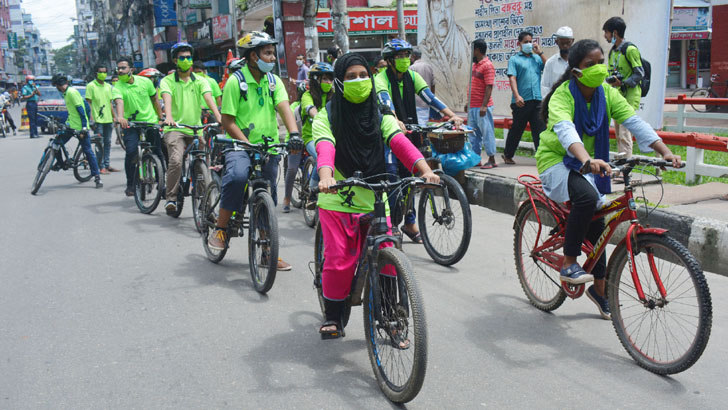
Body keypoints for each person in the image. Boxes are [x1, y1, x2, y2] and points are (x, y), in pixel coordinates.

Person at [535, 39, 680, 320]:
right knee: (588, 198)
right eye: (591, 64)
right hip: (556, 161)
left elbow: (633, 121)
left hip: (586, 162)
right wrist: (585, 160)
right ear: (576, 70)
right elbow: (566, 131)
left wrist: (665, 152)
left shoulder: (606, 93)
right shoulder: (563, 95)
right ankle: (569, 262)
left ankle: (599, 291)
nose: (599, 68)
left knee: (600, 220)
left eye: (601, 62)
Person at [313, 52, 440, 339]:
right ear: (339, 83)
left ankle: (391, 317)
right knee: (339, 261)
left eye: (363, 76)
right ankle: (333, 317)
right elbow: (324, 146)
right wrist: (325, 176)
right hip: (338, 197)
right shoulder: (327, 115)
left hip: (375, 193)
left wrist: (424, 170)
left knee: (388, 254)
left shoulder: (381, 114)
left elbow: (398, 142)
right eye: (350, 77)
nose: (358, 81)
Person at [206, 31, 300, 271]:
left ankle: (268, 252)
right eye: (267, 53)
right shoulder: (235, 82)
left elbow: (284, 108)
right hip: (239, 144)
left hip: (268, 145)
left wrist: (294, 134)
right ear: (252, 56)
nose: (271, 57)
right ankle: (221, 228)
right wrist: (245, 142)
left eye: (272, 52)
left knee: (269, 193)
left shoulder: (274, 81)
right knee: (237, 177)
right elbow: (227, 121)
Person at [375, 39, 463, 243]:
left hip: (411, 133)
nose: (404, 60)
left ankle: (409, 222)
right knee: (393, 179)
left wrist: (451, 115)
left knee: (411, 182)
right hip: (390, 134)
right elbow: (385, 102)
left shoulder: (412, 77)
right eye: (399, 57)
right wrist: (395, 120)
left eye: (406, 56)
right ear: (389, 60)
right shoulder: (381, 79)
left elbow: (430, 98)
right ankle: (390, 224)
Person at [160, 42, 223, 215]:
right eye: (182, 58)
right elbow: (167, 98)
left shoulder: (201, 81)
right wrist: (169, 117)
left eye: (188, 57)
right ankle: (171, 198)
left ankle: (204, 200)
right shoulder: (167, 81)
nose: (186, 60)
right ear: (175, 60)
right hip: (175, 129)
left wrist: (219, 118)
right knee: (176, 160)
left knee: (203, 162)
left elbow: (209, 99)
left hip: (196, 129)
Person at [282, 62, 334, 212]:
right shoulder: (307, 96)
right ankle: (304, 195)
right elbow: (310, 109)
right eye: (325, 79)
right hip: (309, 137)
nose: (328, 83)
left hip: (329, 136)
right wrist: (319, 118)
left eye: (330, 79)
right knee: (297, 166)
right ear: (316, 80)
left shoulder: (334, 96)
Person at [112, 56, 163, 197]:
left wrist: (161, 118)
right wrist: (121, 117)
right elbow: (119, 102)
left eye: (123, 68)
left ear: (131, 69)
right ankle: (131, 184)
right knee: (131, 151)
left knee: (158, 151)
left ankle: (162, 182)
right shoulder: (117, 87)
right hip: (130, 124)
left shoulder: (145, 82)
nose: (120, 70)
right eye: (118, 68)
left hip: (150, 121)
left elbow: (155, 100)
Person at [51, 73, 103, 188]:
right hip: (70, 125)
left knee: (88, 150)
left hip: (80, 127)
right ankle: (60, 163)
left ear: (58, 85)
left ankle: (97, 177)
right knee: (56, 142)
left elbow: (82, 110)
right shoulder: (66, 93)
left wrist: (84, 127)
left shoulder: (71, 93)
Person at [604, 16, 644, 160]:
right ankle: (622, 164)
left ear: (614, 33)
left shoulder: (630, 49)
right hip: (617, 95)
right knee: (618, 132)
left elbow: (639, 73)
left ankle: (626, 167)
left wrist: (623, 83)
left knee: (625, 133)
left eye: (606, 33)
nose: (605, 36)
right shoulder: (613, 52)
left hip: (629, 95)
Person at [504, 31, 547, 165]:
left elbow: (548, 66)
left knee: (540, 130)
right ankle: (508, 155)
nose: (529, 44)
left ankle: (542, 157)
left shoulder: (537, 59)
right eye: (526, 42)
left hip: (537, 99)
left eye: (530, 41)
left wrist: (540, 53)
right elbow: (512, 78)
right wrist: (517, 96)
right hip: (521, 101)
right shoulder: (515, 59)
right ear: (519, 44)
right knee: (517, 129)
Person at [469, 39, 497, 169]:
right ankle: (476, 158)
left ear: (477, 50)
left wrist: (484, 106)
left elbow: (489, 86)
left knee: (487, 133)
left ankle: (491, 159)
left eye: (472, 50)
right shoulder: (475, 65)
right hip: (473, 106)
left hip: (481, 106)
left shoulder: (487, 65)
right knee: (473, 135)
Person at [86, 64, 118, 174]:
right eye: (101, 72)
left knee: (108, 142)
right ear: (96, 73)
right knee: (99, 144)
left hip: (108, 119)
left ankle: (107, 164)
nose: (103, 74)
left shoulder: (108, 86)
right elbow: (89, 103)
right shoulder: (91, 86)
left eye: (105, 72)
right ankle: (100, 166)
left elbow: (110, 103)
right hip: (97, 120)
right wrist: (91, 120)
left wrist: (115, 118)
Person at [541, 26, 574, 97]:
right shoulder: (551, 62)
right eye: (562, 43)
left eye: (568, 43)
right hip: (557, 102)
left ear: (572, 41)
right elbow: (545, 86)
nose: (565, 46)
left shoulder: (578, 60)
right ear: (556, 42)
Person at [409, 46, 436, 126]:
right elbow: (433, 84)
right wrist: (431, 98)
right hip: (427, 102)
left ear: (413, 56)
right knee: (425, 124)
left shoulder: (412, 68)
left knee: (418, 126)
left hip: (416, 103)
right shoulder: (429, 66)